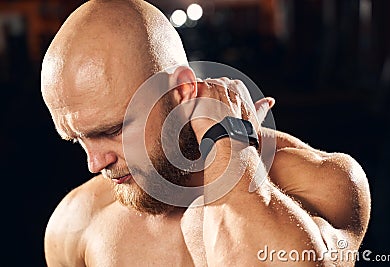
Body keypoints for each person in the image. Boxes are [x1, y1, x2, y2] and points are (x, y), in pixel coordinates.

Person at [42, 0, 371, 266]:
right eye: (78, 139)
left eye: (113, 130)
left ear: (182, 90)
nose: (95, 163)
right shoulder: (76, 221)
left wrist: (231, 145)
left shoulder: (320, 182)